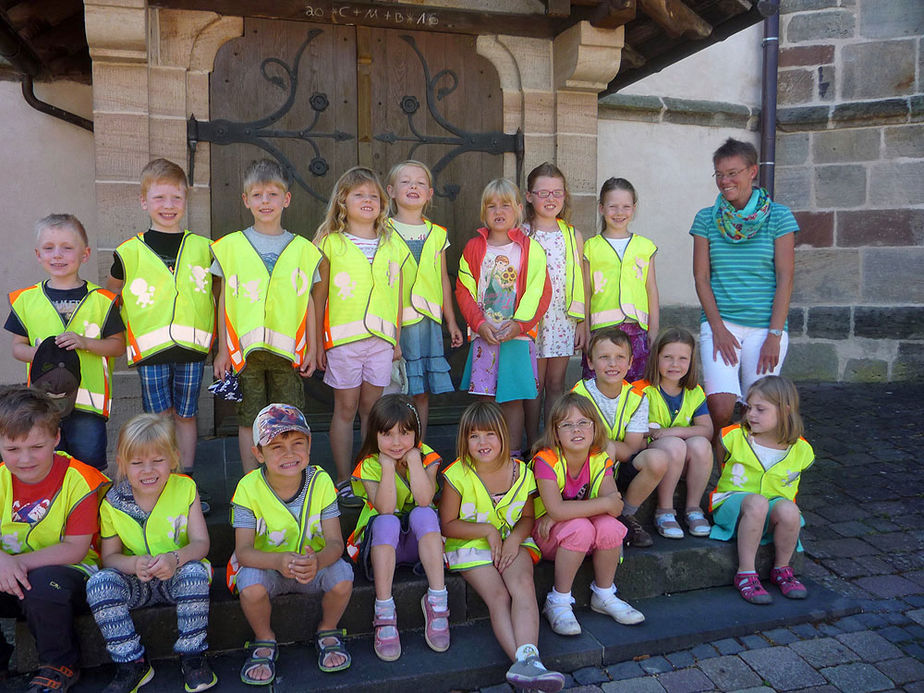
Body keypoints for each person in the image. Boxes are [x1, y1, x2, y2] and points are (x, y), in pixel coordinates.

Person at [109, 159, 215, 506]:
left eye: (176, 198)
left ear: (186, 201)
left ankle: (186, 481)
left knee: (187, 415)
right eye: (159, 198)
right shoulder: (128, 252)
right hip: (151, 352)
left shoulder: (203, 247)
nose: (168, 206)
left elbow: (218, 293)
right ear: (144, 202)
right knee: (158, 419)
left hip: (192, 350)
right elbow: (110, 300)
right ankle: (162, 482)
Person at [439, 401, 564, 693]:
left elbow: (528, 517)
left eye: (489, 434)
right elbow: (447, 524)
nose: (482, 442)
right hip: (469, 543)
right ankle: (523, 665)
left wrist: (513, 539)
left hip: (512, 539)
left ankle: (529, 661)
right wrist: (488, 530)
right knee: (498, 596)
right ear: (464, 441)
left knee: (522, 585)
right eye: (474, 436)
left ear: (504, 435)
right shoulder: (457, 475)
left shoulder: (521, 471)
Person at [86, 414, 214, 693]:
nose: (148, 470)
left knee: (195, 573)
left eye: (158, 460)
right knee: (99, 583)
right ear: (121, 464)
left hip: (177, 576)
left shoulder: (185, 489)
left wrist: (175, 559)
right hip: (137, 581)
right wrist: (133, 564)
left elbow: (201, 543)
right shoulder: (112, 502)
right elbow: (109, 558)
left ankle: (193, 656)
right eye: (136, 463)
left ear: (174, 459)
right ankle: (132, 662)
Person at [228, 403, 353, 684]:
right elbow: (243, 552)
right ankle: (264, 639)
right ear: (258, 453)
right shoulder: (248, 489)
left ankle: (328, 630)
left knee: (343, 575)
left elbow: (335, 542)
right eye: (276, 447)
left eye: (298, 443)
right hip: (269, 568)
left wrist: (318, 561)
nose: (289, 454)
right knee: (249, 583)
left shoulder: (320, 481)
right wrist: (278, 561)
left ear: (309, 448)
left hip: (312, 567)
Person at [211, 159, 322, 475]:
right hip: (246, 353)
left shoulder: (302, 249)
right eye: (257, 195)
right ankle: (250, 482)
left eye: (272, 195)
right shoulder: (230, 247)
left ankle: (292, 478)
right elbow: (224, 301)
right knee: (248, 417)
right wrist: (222, 350)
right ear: (245, 200)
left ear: (286, 199)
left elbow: (309, 302)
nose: (265, 202)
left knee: (291, 415)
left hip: (289, 353)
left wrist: (313, 347)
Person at [690, 138, 798, 459]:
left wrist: (774, 335)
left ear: (752, 172)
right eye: (719, 174)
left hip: (767, 326)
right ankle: (720, 470)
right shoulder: (706, 219)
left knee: (761, 408)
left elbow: (786, 277)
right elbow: (701, 278)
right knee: (721, 407)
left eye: (733, 173)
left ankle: (754, 467)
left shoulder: (779, 217)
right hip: (720, 323)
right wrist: (719, 329)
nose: (725, 181)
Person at [0, 386, 108, 692]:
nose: (25, 459)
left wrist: (13, 564)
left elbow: (75, 549)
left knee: (44, 585)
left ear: (56, 438)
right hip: (9, 572)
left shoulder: (80, 478)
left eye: (36, 447)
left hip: (68, 574)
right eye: (12, 449)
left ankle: (59, 664)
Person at [313, 167, 410, 507]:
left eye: (373, 196)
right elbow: (319, 297)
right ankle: (342, 478)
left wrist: (396, 338)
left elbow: (396, 294)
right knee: (346, 408)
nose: (367, 201)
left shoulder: (391, 243)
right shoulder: (330, 244)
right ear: (343, 201)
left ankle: (370, 472)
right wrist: (316, 343)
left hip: (381, 341)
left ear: (383, 203)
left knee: (374, 408)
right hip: (343, 341)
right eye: (359, 195)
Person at [6, 214, 124, 471]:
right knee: (49, 467)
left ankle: (90, 511)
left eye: (67, 248)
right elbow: (17, 348)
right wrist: (41, 354)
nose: (57, 255)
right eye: (49, 248)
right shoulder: (26, 300)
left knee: (89, 469)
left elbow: (118, 346)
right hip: (43, 404)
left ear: (85, 254)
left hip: (88, 406)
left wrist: (85, 342)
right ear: (38, 254)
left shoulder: (102, 300)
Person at [531, 393, 644, 637]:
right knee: (581, 526)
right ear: (555, 432)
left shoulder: (599, 457)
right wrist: (564, 512)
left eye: (584, 422)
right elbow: (558, 510)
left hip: (580, 533)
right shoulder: (546, 460)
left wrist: (564, 512)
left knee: (610, 527)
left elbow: (615, 507)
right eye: (567, 424)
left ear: (595, 427)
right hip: (547, 537)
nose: (576, 430)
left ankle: (604, 594)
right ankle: (558, 601)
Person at [347, 394, 448, 661]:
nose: (396, 442)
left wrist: (415, 462)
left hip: (420, 544)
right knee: (387, 521)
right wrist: (388, 468)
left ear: (417, 434)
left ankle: (437, 601)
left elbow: (425, 499)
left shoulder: (428, 458)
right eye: (387, 434)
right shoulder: (369, 465)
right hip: (381, 544)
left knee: (424, 514)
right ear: (375, 435)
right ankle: (384, 610)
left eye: (405, 433)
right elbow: (386, 508)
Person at [456, 178, 551, 458]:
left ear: (519, 209)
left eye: (506, 205)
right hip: (485, 336)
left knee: (513, 401)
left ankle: (512, 454)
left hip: (517, 338)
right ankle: (485, 454)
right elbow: (463, 288)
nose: (499, 211)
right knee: (485, 399)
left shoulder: (530, 249)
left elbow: (539, 290)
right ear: (484, 212)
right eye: (492, 206)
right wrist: (479, 323)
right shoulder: (474, 247)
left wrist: (519, 324)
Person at [710, 376, 813, 605]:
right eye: (748, 408)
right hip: (734, 505)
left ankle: (782, 569)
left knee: (790, 510)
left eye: (760, 409)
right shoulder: (732, 437)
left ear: (785, 411)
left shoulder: (802, 450)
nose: (751, 414)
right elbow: (722, 466)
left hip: (772, 508)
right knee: (756, 502)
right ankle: (746, 572)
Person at [385, 160, 463, 439]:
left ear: (430, 194)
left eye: (420, 183)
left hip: (427, 324)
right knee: (397, 389)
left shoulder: (437, 234)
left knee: (421, 391)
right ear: (391, 191)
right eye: (405, 182)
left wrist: (451, 321)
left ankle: (418, 444)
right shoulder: (384, 230)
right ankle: (394, 443)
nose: (413, 187)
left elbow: (443, 279)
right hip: (395, 323)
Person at [572, 328, 670, 548]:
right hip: (586, 470)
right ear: (590, 362)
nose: (612, 364)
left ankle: (625, 514)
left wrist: (611, 447)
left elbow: (632, 449)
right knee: (605, 448)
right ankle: (600, 511)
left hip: (619, 465)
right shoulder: (578, 395)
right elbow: (575, 445)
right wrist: (609, 447)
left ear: (630, 363)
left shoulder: (637, 398)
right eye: (604, 357)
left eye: (619, 357)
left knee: (658, 459)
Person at [521, 163, 586, 448]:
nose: (551, 198)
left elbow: (582, 279)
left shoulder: (572, 234)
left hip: (562, 316)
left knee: (556, 384)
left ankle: (552, 442)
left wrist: (583, 321)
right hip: (531, 318)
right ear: (529, 196)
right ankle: (533, 442)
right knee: (532, 385)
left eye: (557, 192)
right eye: (543, 192)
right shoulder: (521, 233)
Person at [634, 327, 714, 539]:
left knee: (701, 445)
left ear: (691, 361)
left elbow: (707, 430)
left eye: (682, 358)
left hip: (680, 454)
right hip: (654, 454)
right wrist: (666, 435)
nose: (675, 364)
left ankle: (693, 508)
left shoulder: (694, 391)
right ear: (656, 358)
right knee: (675, 445)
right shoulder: (641, 390)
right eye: (668, 357)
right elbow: (637, 431)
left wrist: (672, 431)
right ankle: (665, 510)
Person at [583, 178, 658, 383]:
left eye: (626, 206)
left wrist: (654, 329)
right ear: (601, 208)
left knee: (636, 386)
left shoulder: (645, 246)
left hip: (636, 329)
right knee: (599, 385)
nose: (619, 212)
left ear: (634, 209)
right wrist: (585, 329)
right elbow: (586, 292)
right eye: (612, 206)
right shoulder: (590, 247)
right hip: (601, 330)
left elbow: (650, 289)